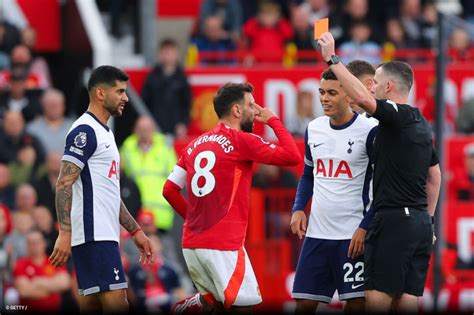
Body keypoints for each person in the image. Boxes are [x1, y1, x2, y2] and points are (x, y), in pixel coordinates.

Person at [316, 32, 441, 312]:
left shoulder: (395, 115)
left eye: (377, 84)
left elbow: (361, 97)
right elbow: (435, 177)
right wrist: (429, 219)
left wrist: (333, 59)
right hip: (420, 223)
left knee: (376, 297)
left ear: (389, 86)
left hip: (394, 220)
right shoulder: (419, 122)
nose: (372, 89)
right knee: (406, 299)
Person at [162, 82, 301, 312]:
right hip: (223, 246)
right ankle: (187, 307)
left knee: (215, 305)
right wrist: (273, 120)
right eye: (250, 105)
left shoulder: (193, 145)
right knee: (244, 307)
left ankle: (194, 304)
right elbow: (292, 155)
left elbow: (169, 189)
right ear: (236, 111)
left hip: (192, 244)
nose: (255, 112)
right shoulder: (241, 141)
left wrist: (193, 221)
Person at [49, 65, 154, 314]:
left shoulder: (104, 133)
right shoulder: (85, 131)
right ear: (99, 93)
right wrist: (65, 232)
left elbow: (109, 194)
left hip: (102, 235)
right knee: (118, 304)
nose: (125, 98)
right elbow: (64, 182)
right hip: (94, 236)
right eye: (119, 91)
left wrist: (135, 230)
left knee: (93, 306)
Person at [290, 66, 377, 314]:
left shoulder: (369, 131)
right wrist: (298, 208)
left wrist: (364, 227)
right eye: (321, 92)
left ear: (349, 96)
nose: (324, 99)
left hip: (352, 235)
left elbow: (380, 186)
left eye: (331, 93)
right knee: (304, 303)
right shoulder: (314, 128)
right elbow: (308, 174)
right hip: (317, 234)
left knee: (357, 304)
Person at [141, 39, 191, 139]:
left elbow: (187, 104)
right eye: (165, 51)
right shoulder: (152, 77)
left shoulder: (182, 78)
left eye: (171, 51)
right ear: (159, 54)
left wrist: (183, 124)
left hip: (176, 128)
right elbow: (145, 102)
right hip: (155, 127)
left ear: (176, 54)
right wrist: (148, 122)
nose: (168, 55)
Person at [13, 230, 71, 312]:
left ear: (44, 243)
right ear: (27, 245)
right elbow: (24, 291)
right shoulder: (20, 264)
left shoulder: (54, 260)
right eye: (31, 243)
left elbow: (65, 283)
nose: (35, 246)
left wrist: (39, 282)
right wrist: (52, 288)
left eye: (37, 242)